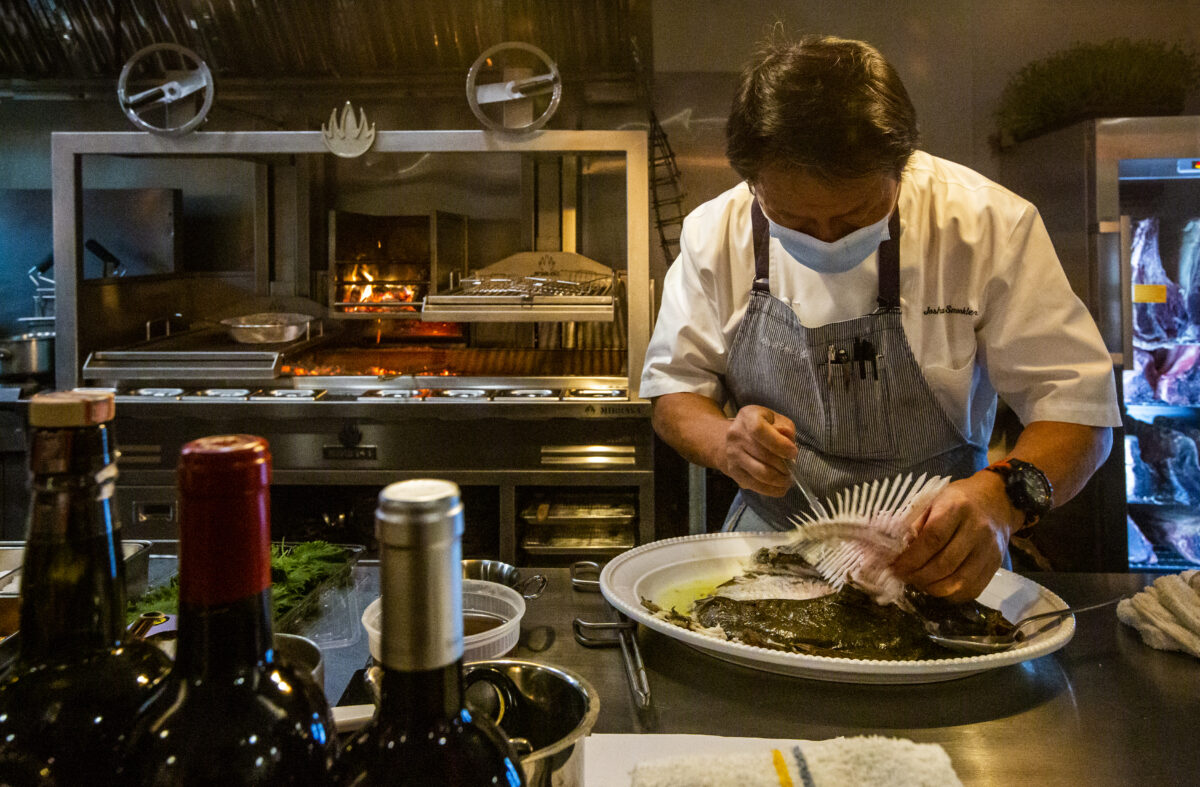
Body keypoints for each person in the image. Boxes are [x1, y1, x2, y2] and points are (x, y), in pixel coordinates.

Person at [639, 33, 1121, 602]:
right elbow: (674, 392)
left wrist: (1003, 498)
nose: (826, 237)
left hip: (943, 556)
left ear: (903, 165)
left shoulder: (987, 225)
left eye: (856, 215)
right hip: (770, 547)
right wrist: (725, 443)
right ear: (752, 181)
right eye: (793, 219)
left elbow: (1077, 410)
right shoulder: (714, 233)